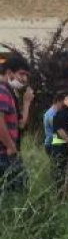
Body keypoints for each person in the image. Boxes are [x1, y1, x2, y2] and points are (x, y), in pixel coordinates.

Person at [0, 56, 33, 192]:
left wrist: (26, 102)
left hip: (8, 153)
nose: (24, 79)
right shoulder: (1, 90)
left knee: (18, 191)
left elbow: (20, 125)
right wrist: (11, 146)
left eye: (26, 75)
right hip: (4, 154)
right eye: (21, 73)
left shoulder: (9, 92)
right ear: (9, 72)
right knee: (16, 193)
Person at [51, 91, 68, 197]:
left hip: (64, 146)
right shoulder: (62, 113)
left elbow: (66, 127)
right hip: (60, 147)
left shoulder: (67, 113)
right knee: (62, 172)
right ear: (64, 101)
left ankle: (64, 195)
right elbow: (60, 130)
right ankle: (60, 196)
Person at [43, 91, 66, 156]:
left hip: (55, 144)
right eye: (62, 103)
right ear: (58, 102)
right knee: (56, 165)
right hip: (52, 145)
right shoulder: (50, 114)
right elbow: (59, 128)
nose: (63, 106)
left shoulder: (55, 113)